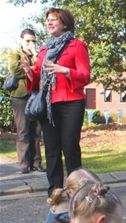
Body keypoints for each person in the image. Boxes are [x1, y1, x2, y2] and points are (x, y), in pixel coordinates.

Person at [21, 8, 90, 196]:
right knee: (51, 149)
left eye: (54, 20)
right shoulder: (44, 49)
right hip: (48, 105)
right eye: (48, 20)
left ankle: (77, 190)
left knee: (70, 148)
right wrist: (29, 71)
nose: (49, 23)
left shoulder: (77, 45)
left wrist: (64, 70)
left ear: (65, 23)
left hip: (71, 103)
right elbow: (37, 81)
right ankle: (55, 191)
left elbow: (85, 76)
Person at [7, 29, 44, 174]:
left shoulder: (37, 55)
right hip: (20, 96)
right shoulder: (14, 54)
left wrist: (34, 57)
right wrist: (32, 70)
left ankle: (36, 163)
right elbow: (16, 71)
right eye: (28, 41)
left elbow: (41, 71)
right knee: (23, 130)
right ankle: (24, 163)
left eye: (33, 41)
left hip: (36, 95)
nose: (31, 43)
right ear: (22, 40)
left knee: (36, 130)